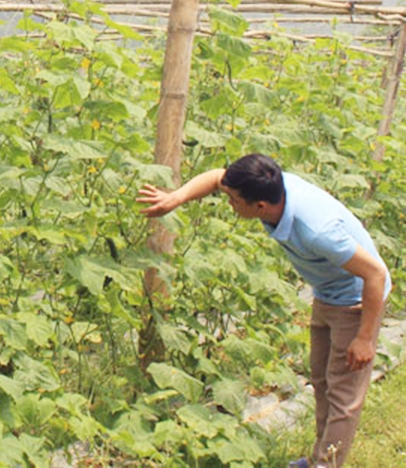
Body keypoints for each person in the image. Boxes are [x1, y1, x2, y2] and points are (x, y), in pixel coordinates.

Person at [136, 153, 390, 468]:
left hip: (356, 300)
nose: (228, 203)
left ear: (259, 208)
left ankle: (326, 464)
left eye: (233, 200)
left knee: (343, 394)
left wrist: (365, 337)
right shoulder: (268, 191)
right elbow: (218, 177)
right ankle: (319, 460)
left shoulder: (317, 230)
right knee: (322, 381)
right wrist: (175, 198)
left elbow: (375, 274)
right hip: (327, 293)